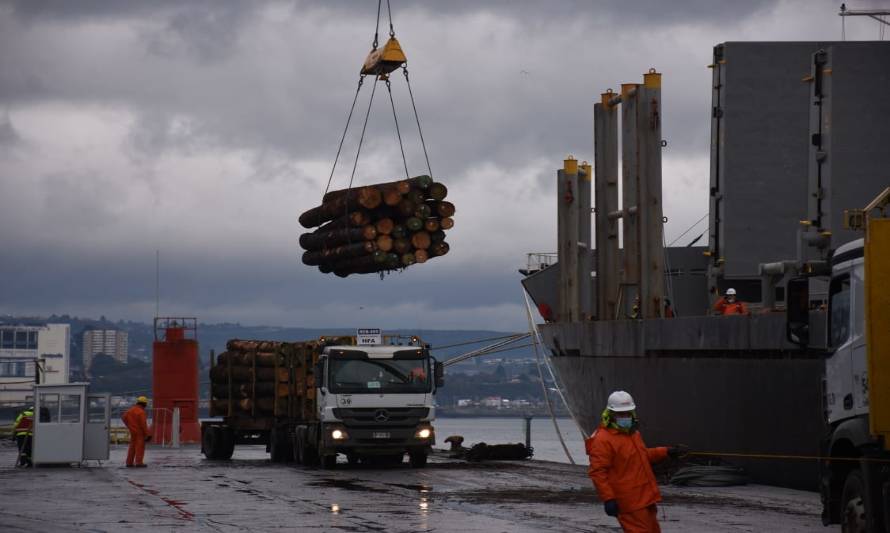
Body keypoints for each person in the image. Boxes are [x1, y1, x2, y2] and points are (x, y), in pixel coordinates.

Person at [586, 391, 687, 533]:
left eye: (627, 413)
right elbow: (598, 472)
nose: (625, 416)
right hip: (628, 502)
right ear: (611, 414)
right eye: (621, 414)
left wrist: (667, 451)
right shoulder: (602, 440)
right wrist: (608, 499)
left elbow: (642, 456)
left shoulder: (632, 433)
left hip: (646, 498)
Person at [121, 396, 152, 467]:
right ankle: (139, 462)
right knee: (139, 447)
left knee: (132, 447)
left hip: (132, 432)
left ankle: (129, 463)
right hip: (139, 433)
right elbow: (143, 424)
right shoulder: (141, 412)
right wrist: (148, 434)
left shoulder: (130, 410)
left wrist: (129, 426)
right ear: (144, 404)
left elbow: (124, 418)